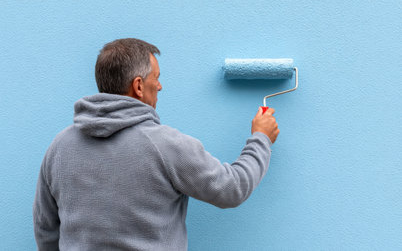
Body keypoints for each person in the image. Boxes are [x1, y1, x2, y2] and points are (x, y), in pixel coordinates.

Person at [33, 38, 279, 251]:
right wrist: (261, 139)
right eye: (156, 78)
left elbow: (46, 229)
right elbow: (231, 189)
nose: (160, 85)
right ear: (138, 86)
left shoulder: (60, 146)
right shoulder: (166, 145)